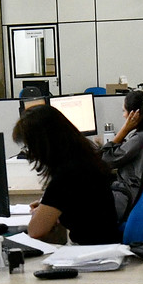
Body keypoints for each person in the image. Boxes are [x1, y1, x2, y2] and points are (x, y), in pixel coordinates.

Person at [14, 104, 121, 245]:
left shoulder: (67, 175)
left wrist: (38, 214)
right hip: (102, 245)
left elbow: (35, 231)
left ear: (42, 144)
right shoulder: (83, 159)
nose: (30, 152)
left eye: (29, 146)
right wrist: (46, 208)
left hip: (91, 253)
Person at [102, 90, 143, 219]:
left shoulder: (139, 139)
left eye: (124, 111)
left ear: (133, 115)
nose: (123, 116)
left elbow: (104, 161)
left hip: (130, 199)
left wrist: (123, 131)